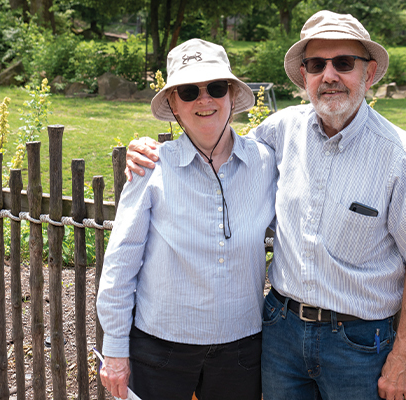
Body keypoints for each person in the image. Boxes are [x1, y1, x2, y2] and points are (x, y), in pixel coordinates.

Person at [126, 11, 406, 400]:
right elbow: (217, 147)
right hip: (281, 332)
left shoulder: (398, 154)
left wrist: (405, 353)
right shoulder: (281, 130)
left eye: (343, 63)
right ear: (305, 76)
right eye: (317, 65)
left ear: (370, 72)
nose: (329, 75)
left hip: (358, 343)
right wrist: (151, 150)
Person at [96, 38, 276, 400]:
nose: (204, 99)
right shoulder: (151, 168)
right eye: (189, 91)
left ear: (231, 97)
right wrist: (115, 351)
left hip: (240, 349)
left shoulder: (265, 162)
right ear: (174, 105)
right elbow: (120, 265)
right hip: (160, 350)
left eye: (216, 87)